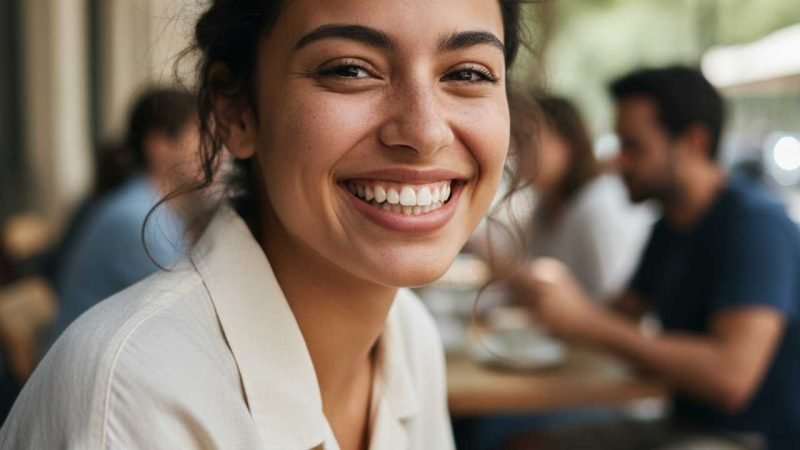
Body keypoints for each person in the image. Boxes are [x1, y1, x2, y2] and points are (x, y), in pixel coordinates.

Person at [0, 0, 527, 448]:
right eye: (350, 69)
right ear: (237, 114)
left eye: (468, 74)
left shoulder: (408, 336)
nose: (424, 131)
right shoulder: (130, 392)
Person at [511, 66, 800, 450]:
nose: (617, 162)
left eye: (633, 146)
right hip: (681, 424)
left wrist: (586, 321)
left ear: (694, 143)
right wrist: (554, 303)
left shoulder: (755, 224)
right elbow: (621, 315)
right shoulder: (670, 224)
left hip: (750, 439)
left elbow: (731, 380)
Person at [41, 88, 199, 350]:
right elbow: (191, 314)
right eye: (200, 135)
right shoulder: (137, 218)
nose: (216, 150)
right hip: (85, 373)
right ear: (159, 147)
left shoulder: (153, 208)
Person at [519, 93, 651, 300]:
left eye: (529, 141)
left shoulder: (598, 204)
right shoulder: (545, 205)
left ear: (568, 143)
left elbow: (614, 303)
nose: (519, 154)